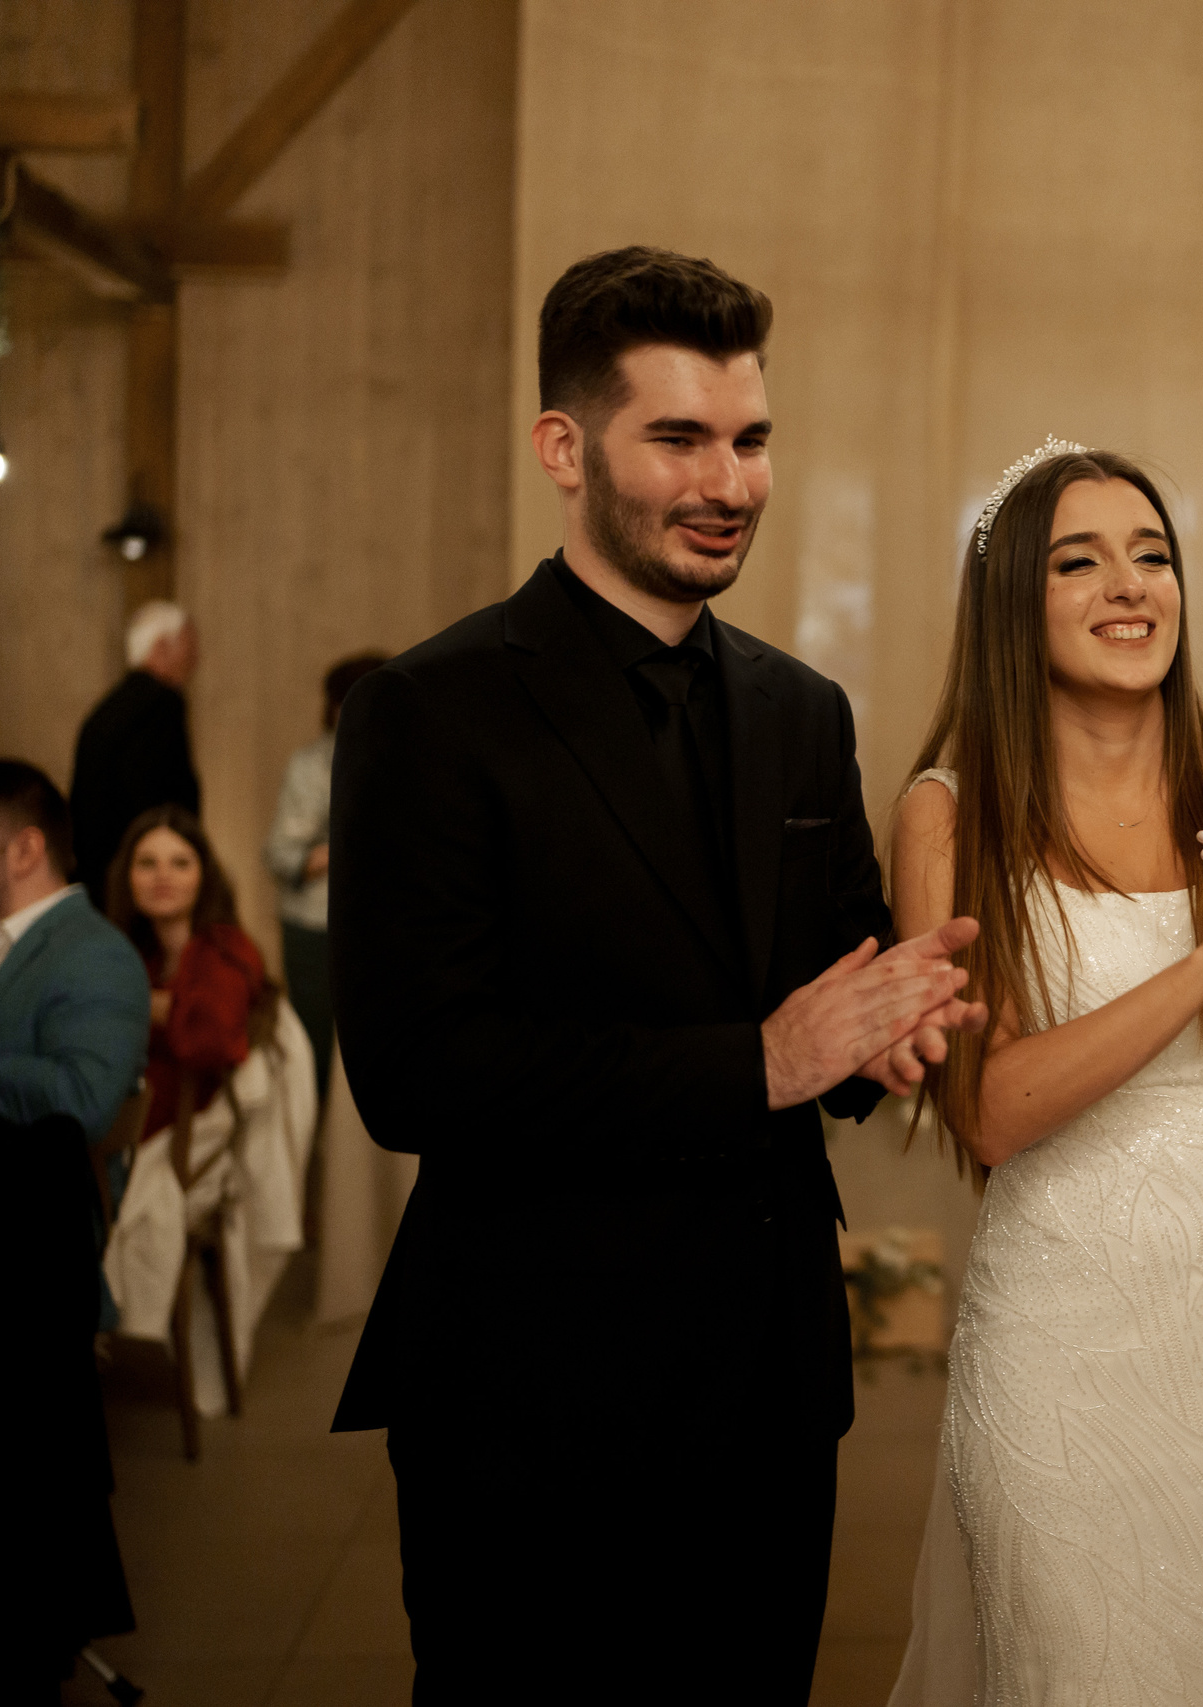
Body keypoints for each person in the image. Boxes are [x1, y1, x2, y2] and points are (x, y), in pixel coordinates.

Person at [325, 247, 987, 1703]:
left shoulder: (803, 711)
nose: (730, 480)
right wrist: (758, 1061)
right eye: (678, 437)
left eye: (750, 438)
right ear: (565, 447)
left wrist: (899, 1029)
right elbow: (413, 1066)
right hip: (530, 1382)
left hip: (765, 1376)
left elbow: (846, 973)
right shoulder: (429, 711)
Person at [886, 441, 1203, 1706]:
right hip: (1058, 1333)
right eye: (1080, 560)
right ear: (1013, 598)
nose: (1131, 586)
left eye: (1152, 555)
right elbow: (988, 1111)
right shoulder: (950, 816)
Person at [0, 761, 148, 1698]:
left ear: (23, 847)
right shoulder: (6, 943)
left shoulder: (90, 953)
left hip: (30, 1262)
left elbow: (87, 1102)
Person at [264, 652, 387, 1101]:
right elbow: (282, 854)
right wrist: (361, 842)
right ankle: (312, 1163)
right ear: (338, 706)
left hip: (384, 926)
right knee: (316, 1054)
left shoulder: (405, 753)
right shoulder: (312, 766)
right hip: (319, 927)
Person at [104, 806, 269, 1140]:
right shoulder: (136, 954)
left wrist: (147, 1005)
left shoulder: (225, 948)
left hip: (196, 1142)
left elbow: (213, 1040)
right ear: (128, 876)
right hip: (130, 1130)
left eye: (180, 863)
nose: (163, 876)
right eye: (147, 863)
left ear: (203, 876)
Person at [70, 600, 202, 889]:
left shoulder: (112, 707)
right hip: (137, 878)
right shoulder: (160, 705)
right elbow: (156, 801)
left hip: (100, 872)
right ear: (161, 647)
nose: (196, 657)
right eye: (189, 645)